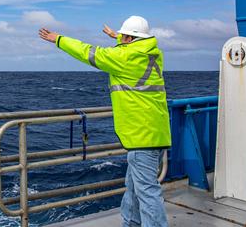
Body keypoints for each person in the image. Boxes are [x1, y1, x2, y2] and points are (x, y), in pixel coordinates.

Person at [39, 16, 170, 227]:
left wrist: (58, 39)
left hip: (141, 135)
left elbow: (88, 52)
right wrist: (117, 36)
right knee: (134, 188)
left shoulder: (123, 57)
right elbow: (131, 46)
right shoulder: (153, 54)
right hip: (157, 131)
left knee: (147, 192)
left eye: (123, 37)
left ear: (128, 38)